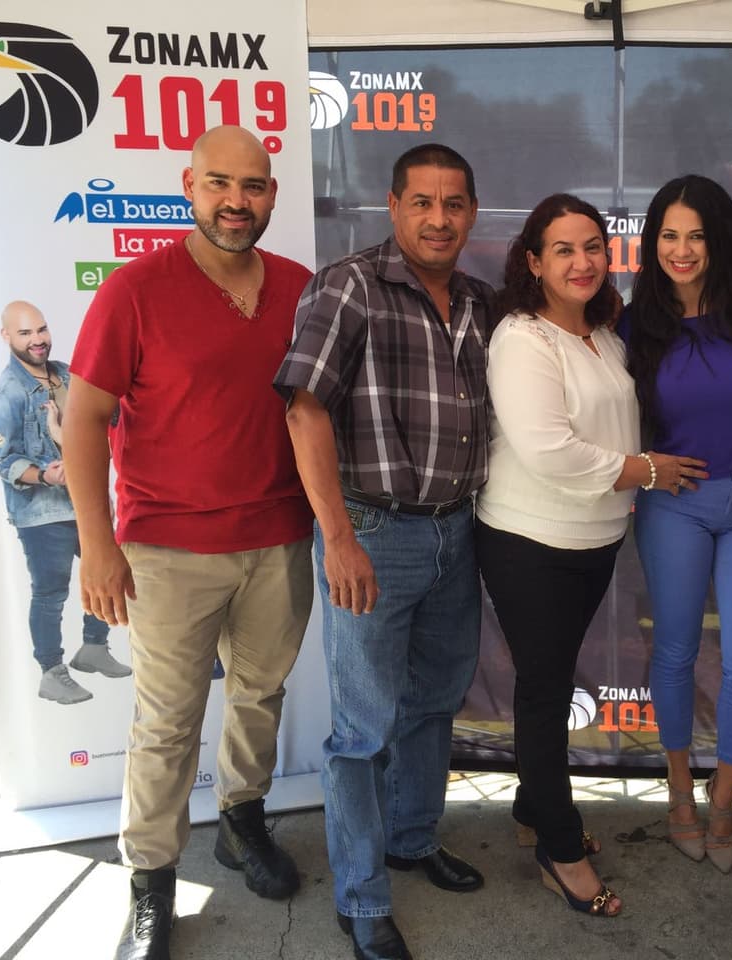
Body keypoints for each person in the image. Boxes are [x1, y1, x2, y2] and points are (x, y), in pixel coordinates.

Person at [63, 125, 315, 960]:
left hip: (279, 537)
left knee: (258, 695)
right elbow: (84, 419)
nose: (236, 203)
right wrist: (98, 549)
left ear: (272, 194)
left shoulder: (298, 287)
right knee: (167, 724)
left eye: (253, 186)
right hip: (167, 550)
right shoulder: (136, 290)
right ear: (188, 185)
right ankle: (151, 885)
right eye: (218, 184)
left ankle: (243, 820)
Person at [274, 143, 491, 960]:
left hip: (456, 530)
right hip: (371, 531)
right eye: (424, 203)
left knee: (434, 701)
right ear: (394, 207)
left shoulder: (477, 300)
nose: (440, 219)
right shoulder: (350, 285)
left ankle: (410, 837)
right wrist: (337, 538)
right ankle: (362, 898)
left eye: (456, 203)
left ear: (471, 211)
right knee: (362, 730)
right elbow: (304, 411)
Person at [475, 193, 706, 919]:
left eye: (593, 248)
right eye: (564, 250)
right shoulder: (522, 336)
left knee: (550, 677)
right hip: (527, 541)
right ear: (534, 262)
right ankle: (560, 846)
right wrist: (648, 470)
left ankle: (528, 806)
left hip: (595, 537)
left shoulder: (605, 335)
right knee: (545, 692)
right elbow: (548, 449)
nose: (582, 262)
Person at [621, 175, 732, 874]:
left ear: (720, 239)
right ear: (651, 241)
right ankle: (680, 797)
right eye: (668, 235)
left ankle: (724, 802)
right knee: (676, 654)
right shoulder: (636, 323)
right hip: (674, 505)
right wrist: (643, 465)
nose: (681, 250)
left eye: (695, 235)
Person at [0, 300, 132, 705]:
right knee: (51, 593)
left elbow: (104, 421)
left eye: (41, 330)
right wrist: (44, 474)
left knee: (106, 575)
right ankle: (51, 671)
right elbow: (6, 461)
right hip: (41, 513)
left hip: (86, 501)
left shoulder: (67, 374)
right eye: (26, 333)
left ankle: (94, 648)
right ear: (7, 337)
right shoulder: (6, 393)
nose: (38, 340)